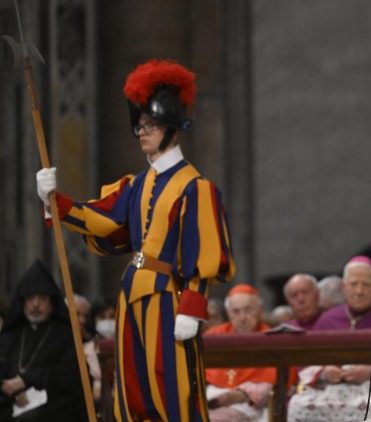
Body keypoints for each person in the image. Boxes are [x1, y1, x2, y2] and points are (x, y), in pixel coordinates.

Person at [34, 59, 235, 421]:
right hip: (133, 295)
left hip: (168, 299)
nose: (142, 132)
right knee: (134, 392)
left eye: (152, 125)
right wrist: (56, 201)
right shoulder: (136, 184)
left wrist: (192, 307)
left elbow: (203, 255)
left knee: (174, 393)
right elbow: (104, 220)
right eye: (139, 125)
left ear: (172, 128)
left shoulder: (196, 188)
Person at [287, 256, 371, 422]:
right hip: (331, 389)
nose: (359, 291)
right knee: (298, 405)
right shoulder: (328, 319)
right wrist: (325, 372)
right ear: (344, 287)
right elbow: (309, 362)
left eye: (365, 285)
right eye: (353, 284)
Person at [0, 260, 86, 421]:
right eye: (30, 298)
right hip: (10, 406)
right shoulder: (10, 336)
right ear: (22, 301)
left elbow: (71, 377)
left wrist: (27, 381)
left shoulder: (66, 336)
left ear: (52, 303)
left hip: (53, 409)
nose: (35, 305)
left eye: (42, 299)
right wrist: (11, 391)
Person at [204, 284, 275, 422]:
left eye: (248, 310)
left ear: (260, 310)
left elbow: (274, 382)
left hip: (250, 405)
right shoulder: (213, 336)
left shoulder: (271, 338)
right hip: (210, 398)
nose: (242, 318)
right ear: (228, 313)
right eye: (236, 311)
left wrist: (237, 396)